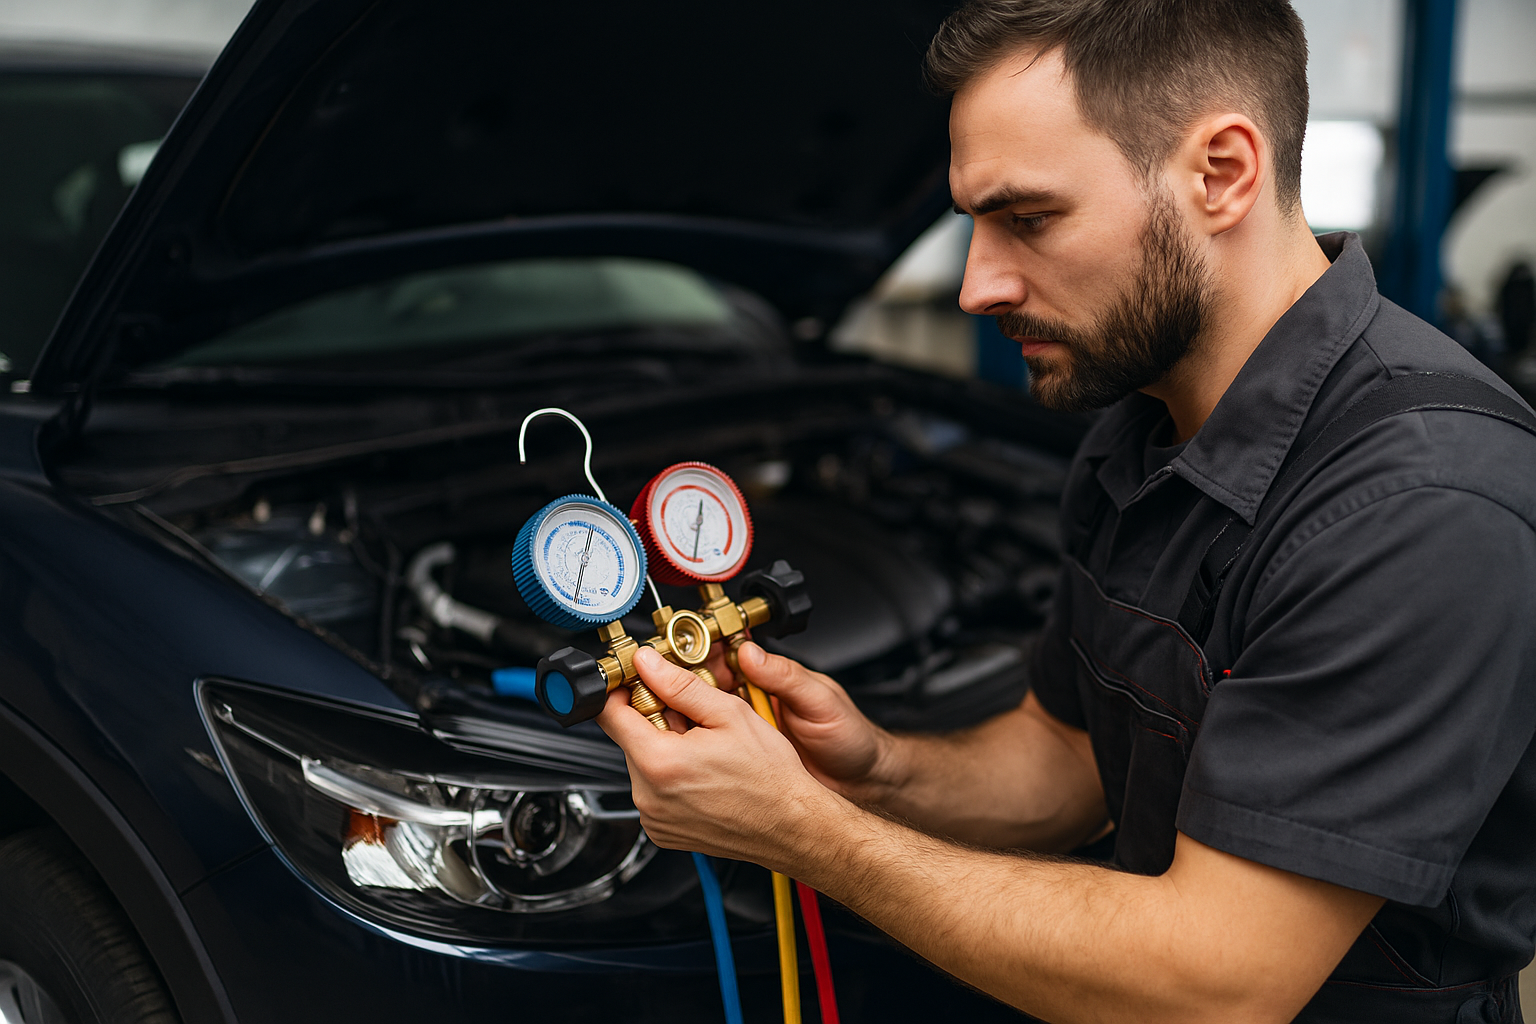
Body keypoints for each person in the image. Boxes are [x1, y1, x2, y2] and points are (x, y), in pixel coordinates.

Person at [598, 2, 1536, 1021]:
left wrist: (806, 833)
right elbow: (1073, 755)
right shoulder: (1139, 424)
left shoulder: (1422, 504)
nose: (977, 286)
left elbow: (1218, 986)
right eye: (972, 223)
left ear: (1222, 174)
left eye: (1029, 219)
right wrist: (874, 774)